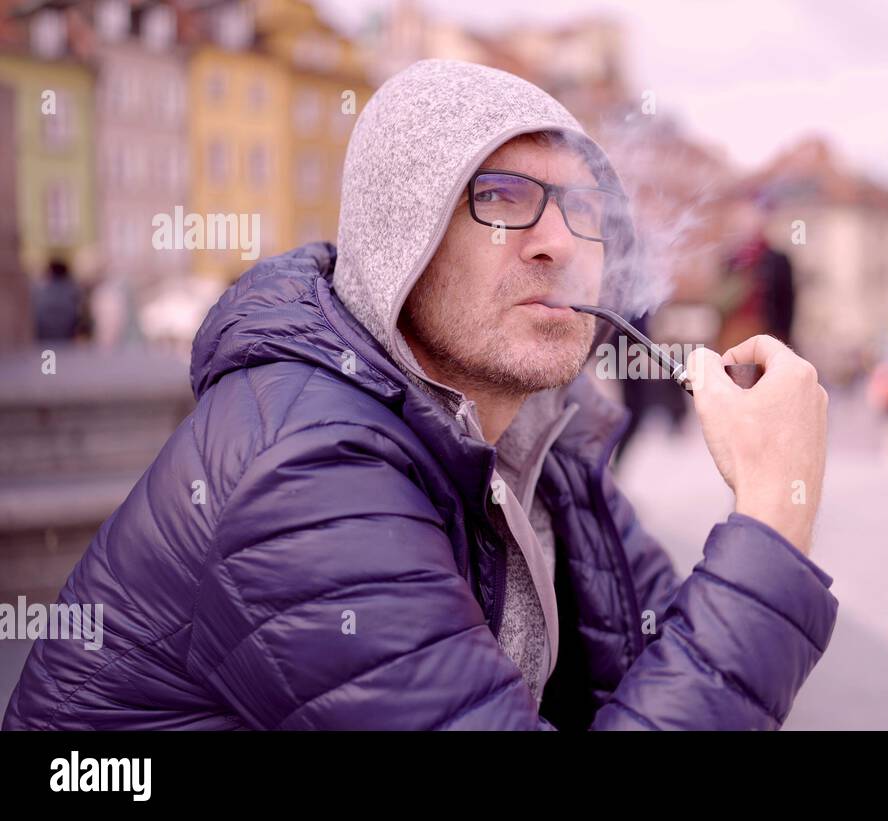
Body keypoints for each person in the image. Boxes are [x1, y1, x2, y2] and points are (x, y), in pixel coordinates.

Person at [3, 60, 836, 731]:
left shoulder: (550, 449)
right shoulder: (303, 474)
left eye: (582, 208)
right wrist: (769, 519)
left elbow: (666, 659)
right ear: (403, 242)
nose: (556, 242)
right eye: (501, 197)